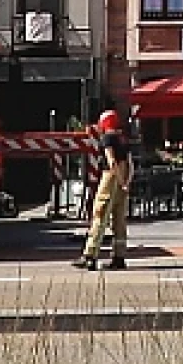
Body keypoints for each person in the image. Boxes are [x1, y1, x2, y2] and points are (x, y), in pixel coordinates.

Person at [74, 109, 132, 271]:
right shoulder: (123, 139)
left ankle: (90, 256)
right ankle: (119, 257)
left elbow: (111, 161)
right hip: (124, 176)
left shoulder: (108, 138)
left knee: (100, 214)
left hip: (111, 177)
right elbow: (130, 162)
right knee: (119, 219)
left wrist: (119, 180)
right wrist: (126, 182)